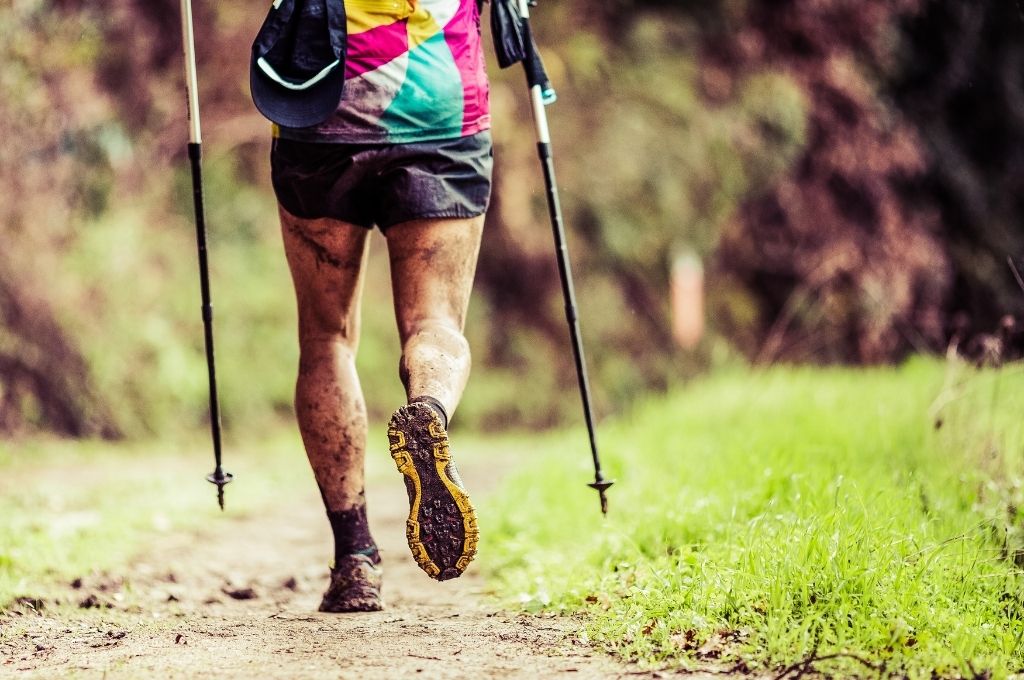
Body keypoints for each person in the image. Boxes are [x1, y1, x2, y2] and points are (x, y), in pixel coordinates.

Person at [251, 0, 491, 612]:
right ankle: (429, 412)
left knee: (327, 337)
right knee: (435, 320)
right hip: (442, 105)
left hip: (320, 104)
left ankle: (355, 559)